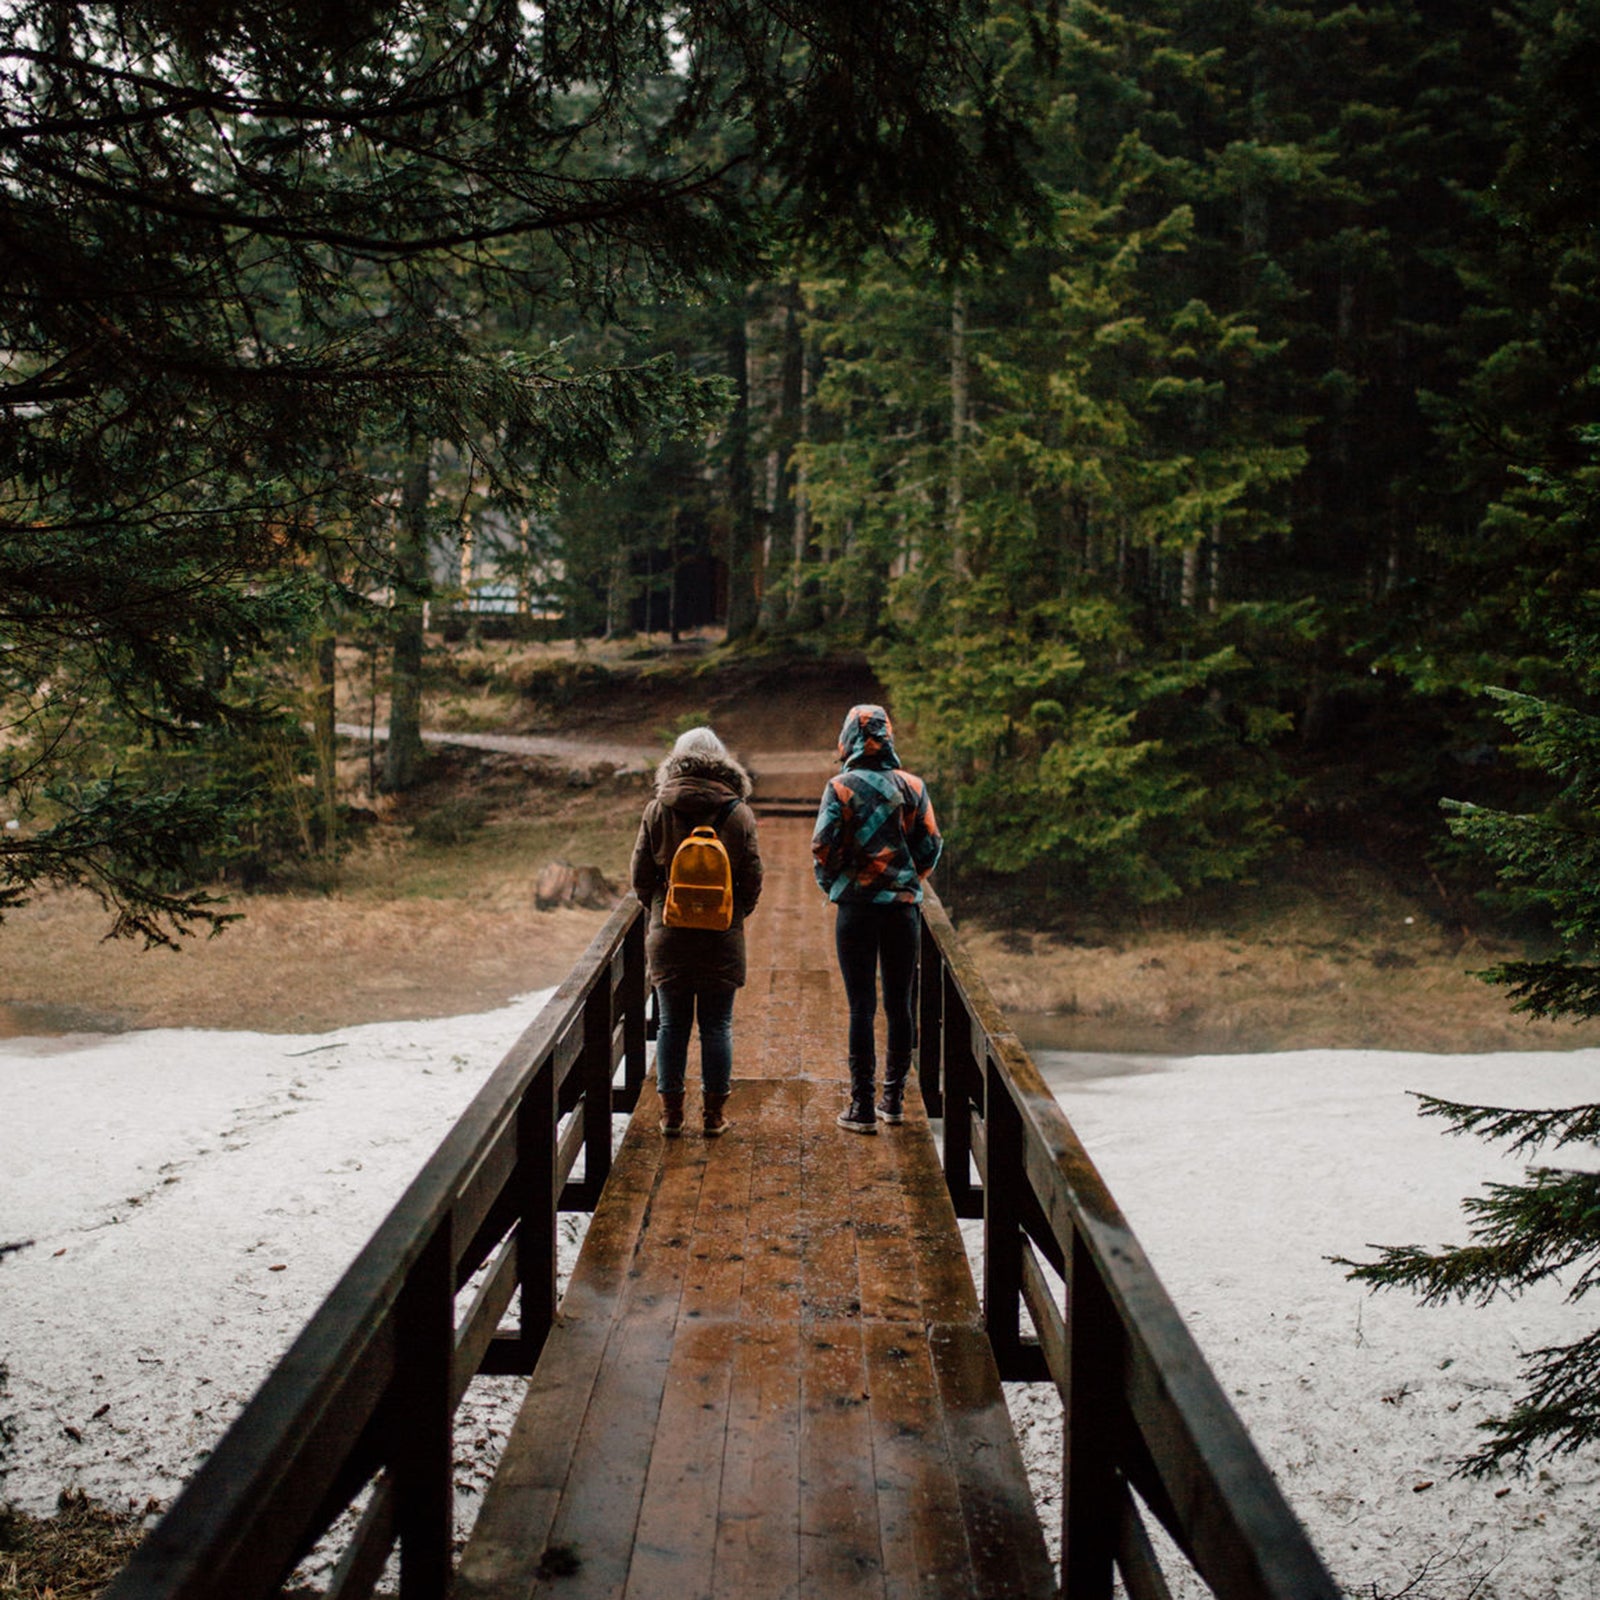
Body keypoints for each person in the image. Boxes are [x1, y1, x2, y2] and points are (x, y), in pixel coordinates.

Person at [811, 703, 942, 1134]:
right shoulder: (912, 786)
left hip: (856, 911)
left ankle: (861, 1106)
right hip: (902, 910)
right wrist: (908, 880)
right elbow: (931, 845)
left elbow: (823, 847)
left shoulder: (841, 787)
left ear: (847, 738)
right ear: (888, 737)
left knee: (861, 1007)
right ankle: (894, 1100)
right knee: (900, 1005)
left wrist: (835, 883)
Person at [631, 726, 763, 1137]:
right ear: (722, 763)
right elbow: (753, 877)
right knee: (717, 1025)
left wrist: (658, 907)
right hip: (722, 933)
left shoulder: (658, 809)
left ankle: (671, 1115)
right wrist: (733, 914)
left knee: (671, 1025)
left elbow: (640, 874)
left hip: (668, 931)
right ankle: (713, 1116)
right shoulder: (738, 812)